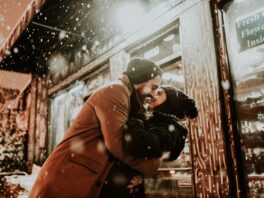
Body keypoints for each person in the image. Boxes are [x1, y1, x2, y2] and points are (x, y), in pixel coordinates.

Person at [29, 58, 162, 198]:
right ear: (141, 79)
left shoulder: (125, 95)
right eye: (153, 87)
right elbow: (116, 145)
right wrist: (150, 166)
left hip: (76, 177)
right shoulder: (116, 91)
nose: (153, 94)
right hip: (67, 177)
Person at [99, 85, 198, 198]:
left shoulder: (169, 129)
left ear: (169, 104)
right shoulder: (158, 123)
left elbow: (139, 144)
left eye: (159, 93)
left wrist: (136, 116)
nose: (153, 94)